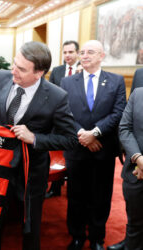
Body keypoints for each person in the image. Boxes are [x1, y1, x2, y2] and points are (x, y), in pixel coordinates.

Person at [0, 41, 78, 250]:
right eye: (14, 64)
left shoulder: (56, 96)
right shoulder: (1, 77)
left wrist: (35, 138)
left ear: (39, 73)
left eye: (21, 69)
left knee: (30, 226)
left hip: (31, 173)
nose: (13, 71)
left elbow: (70, 139)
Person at [60, 40, 127, 250]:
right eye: (83, 52)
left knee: (101, 196)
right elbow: (64, 114)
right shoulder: (67, 82)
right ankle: (77, 236)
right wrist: (83, 134)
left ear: (102, 56)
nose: (85, 55)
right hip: (77, 148)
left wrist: (95, 133)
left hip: (103, 150)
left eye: (91, 52)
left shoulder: (116, 81)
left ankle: (97, 238)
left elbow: (118, 112)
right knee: (76, 196)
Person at [106, 70, 143, 250]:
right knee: (134, 215)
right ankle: (130, 243)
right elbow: (124, 128)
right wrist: (138, 157)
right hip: (135, 170)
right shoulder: (138, 94)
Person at [47, 40, 80, 198]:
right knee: (57, 153)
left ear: (77, 53)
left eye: (71, 52)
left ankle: (74, 186)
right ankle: (55, 187)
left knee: (74, 154)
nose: (67, 55)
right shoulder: (57, 71)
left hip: (79, 119)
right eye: (65, 52)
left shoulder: (83, 70)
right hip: (58, 118)